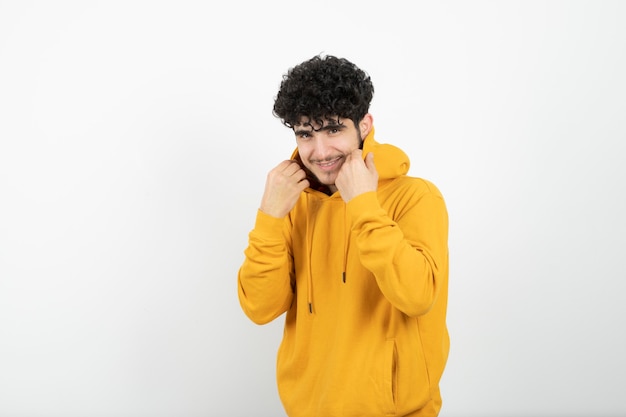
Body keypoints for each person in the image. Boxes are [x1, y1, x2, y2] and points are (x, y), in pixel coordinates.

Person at [237, 54, 449, 417]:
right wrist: (270, 218)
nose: (320, 152)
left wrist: (364, 205)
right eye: (306, 134)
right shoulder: (291, 204)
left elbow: (418, 296)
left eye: (334, 129)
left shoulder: (415, 197)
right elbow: (260, 308)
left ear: (364, 125)